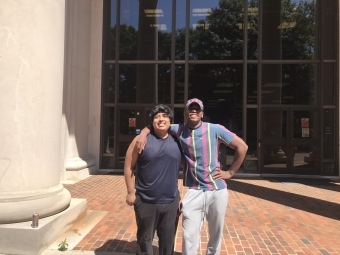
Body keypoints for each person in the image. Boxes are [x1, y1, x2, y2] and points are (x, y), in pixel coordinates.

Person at [137, 98, 248, 255]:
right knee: (189, 234)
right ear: (185, 113)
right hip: (194, 190)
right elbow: (160, 124)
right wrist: (143, 133)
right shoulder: (179, 129)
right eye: (191, 109)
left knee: (215, 232)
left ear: (202, 113)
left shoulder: (215, 129)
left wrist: (230, 173)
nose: (194, 111)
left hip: (217, 190)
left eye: (197, 109)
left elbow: (242, 147)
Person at [124, 104, 182, 255]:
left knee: (168, 242)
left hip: (171, 201)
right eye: (157, 117)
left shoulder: (178, 139)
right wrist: (131, 192)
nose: (161, 119)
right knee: (144, 241)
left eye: (164, 116)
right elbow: (129, 166)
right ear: (152, 122)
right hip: (145, 201)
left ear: (171, 121)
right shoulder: (141, 140)